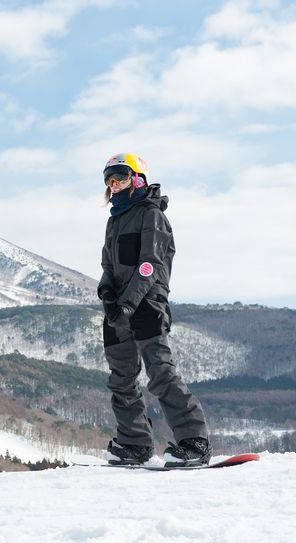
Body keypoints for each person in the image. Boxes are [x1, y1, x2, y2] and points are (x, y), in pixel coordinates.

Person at [97, 153, 211, 467]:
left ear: (138, 178)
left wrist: (128, 303)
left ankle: (195, 442)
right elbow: (108, 265)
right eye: (109, 179)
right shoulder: (115, 219)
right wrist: (107, 293)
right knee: (121, 378)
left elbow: (149, 265)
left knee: (159, 373)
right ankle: (134, 443)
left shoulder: (151, 214)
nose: (114, 184)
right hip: (118, 309)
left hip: (145, 305)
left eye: (120, 176)